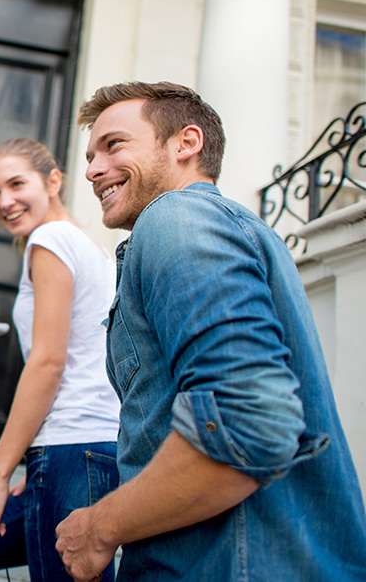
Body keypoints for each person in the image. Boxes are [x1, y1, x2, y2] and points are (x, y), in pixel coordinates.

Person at [54, 81, 366, 581]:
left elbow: (248, 424)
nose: (92, 170)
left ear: (186, 143)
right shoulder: (231, 228)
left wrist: (100, 527)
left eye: (114, 145)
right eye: (91, 155)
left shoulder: (177, 218)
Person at [0, 138, 120, 582]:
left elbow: (48, 362)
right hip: (90, 449)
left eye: (16, 184)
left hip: (72, 446)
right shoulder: (95, 249)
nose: (5, 202)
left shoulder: (50, 239)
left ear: (53, 181)